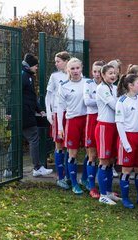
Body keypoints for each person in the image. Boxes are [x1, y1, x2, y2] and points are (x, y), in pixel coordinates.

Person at [4, 53, 53, 178]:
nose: (37, 68)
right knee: (34, 138)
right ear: (30, 65)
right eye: (35, 66)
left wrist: (39, 109)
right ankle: (37, 167)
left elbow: (31, 96)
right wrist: (9, 111)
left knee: (15, 141)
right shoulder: (24, 76)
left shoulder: (27, 75)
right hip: (23, 114)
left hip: (23, 113)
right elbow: (13, 94)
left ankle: (9, 169)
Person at [116, 73, 138, 209]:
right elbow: (119, 124)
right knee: (127, 170)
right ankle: (126, 198)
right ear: (130, 85)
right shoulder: (122, 101)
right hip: (128, 137)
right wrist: (126, 144)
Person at [57, 57, 88, 195]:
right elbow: (60, 108)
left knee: (90, 152)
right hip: (72, 122)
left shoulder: (88, 83)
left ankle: (86, 179)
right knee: (72, 153)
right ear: (68, 70)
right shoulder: (64, 86)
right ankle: (74, 183)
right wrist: (60, 127)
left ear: (81, 68)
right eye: (72, 68)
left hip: (87, 120)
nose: (75, 71)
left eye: (77, 68)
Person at [95, 64, 121, 205]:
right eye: (110, 73)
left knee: (111, 160)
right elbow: (115, 105)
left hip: (114, 126)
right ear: (103, 75)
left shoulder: (114, 87)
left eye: (115, 73)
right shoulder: (101, 88)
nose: (113, 75)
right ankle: (102, 194)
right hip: (104, 127)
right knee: (104, 160)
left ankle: (109, 192)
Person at [45, 51, 71, 189]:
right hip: (57, 114)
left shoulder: (74, 75)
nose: (56, 64)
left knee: (70, 147)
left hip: (71, 114)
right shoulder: (54, 76)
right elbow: (48, 96)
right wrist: (49, 113)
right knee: (59, 145)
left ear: (66, 61)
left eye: (58, 61)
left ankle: (69, 176)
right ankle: (60, 177)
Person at [83, 60, 106, 199]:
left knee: (104, 156)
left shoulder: (108, 85)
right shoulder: (88, 83)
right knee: (92, 155)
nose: (97, 74)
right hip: (91, 120)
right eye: (95, 71)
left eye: (99, 71)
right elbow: (87, 101)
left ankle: (104, 186)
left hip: (104, 119)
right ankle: (92, 186)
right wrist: (103, 100)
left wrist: (96, 99)